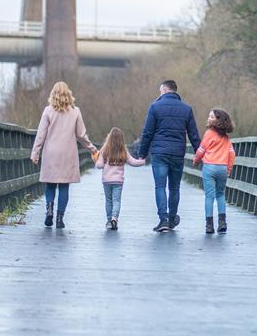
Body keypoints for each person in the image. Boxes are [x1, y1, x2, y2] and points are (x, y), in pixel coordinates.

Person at [136, 79, 200, 233]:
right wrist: (200, 154)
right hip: (177, 153)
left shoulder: (155, 107)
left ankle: (163, 219)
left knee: (160, 186)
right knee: (174, 187)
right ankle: (172, 219)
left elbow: (148, 132)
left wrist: (142, 154)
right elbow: (194, 135)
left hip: (159, 153)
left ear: (164, 90)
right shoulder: (187, 109)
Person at [30, 81, 96, 229]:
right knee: (64, 186)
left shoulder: (48, 111)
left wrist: (35, 153)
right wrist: (92, 149)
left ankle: (49, 210)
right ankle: (60, 219)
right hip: (68, 153)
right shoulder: (75, 111)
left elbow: (41, 134)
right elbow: (81, 135)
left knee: (50, 184)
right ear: (68, 94)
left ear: (53, 94)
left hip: (51, 152)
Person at [192, 108, 236, 234]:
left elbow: (201, 150)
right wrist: (228, 169)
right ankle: (222, 223)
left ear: (217, 120)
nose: (208, 118)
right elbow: (232, 154)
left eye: (211, 116)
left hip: (209, 167)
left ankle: (209, 225)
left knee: (209, 196)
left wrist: (195, 161)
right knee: (220, 194)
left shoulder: (209, 133)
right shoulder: (226, 138)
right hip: (222, 168)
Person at [93, 127, 146, 230]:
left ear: (109, 137)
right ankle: (114, 218)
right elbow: (133, 162)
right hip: (118, 181)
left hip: (107, 181)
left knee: (108, 201)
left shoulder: (104, 150)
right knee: (116, 200)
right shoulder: (123, 151)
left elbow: (99, 166)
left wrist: (95, 159)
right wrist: (142, 161)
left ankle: (109, 221)